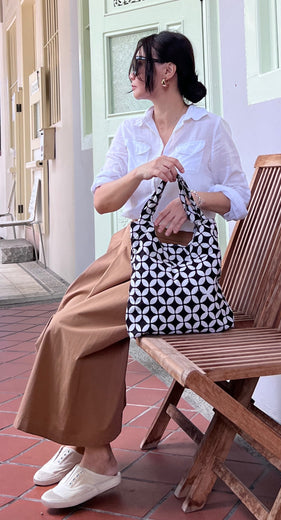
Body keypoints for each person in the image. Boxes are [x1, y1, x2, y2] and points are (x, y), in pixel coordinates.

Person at [14, 31, 250, 509]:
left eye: (141, 61)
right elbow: (102, 200)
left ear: (167, 72)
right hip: (127, 250)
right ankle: (82, 442)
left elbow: (239, 197)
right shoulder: (130, 133)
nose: (131, 72)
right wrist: (142, 171)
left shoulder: (209, 128)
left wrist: (192, 203)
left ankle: (98, 460)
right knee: (63, 320)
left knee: (75, 325)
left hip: (178, 265)